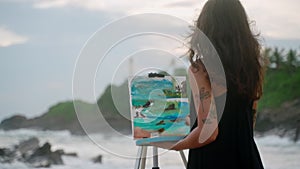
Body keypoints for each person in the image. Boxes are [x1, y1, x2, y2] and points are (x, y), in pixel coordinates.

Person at [153, 0, 265, 168]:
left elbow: (209, 133)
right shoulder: (253, 68)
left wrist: (173, 145)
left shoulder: (201, 70)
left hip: (212, 161)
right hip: (247, 158)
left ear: (206, 29)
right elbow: (248, 121)